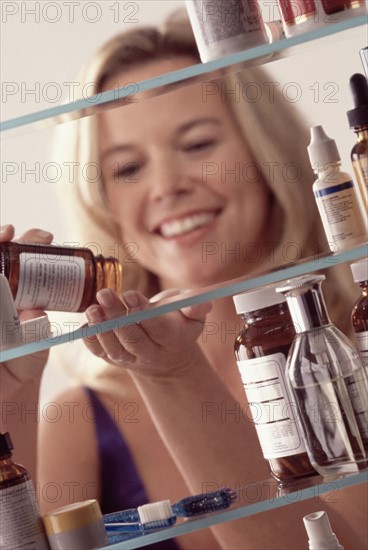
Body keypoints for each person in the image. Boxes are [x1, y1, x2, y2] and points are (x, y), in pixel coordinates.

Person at [1, 10, 367, 550]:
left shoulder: (352, 343)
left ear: (266, 154)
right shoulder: (81, 421)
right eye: (128, 168)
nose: (167, 186)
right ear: (104, 204)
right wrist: (14, 393)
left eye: (197, 145)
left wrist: (174, 375)